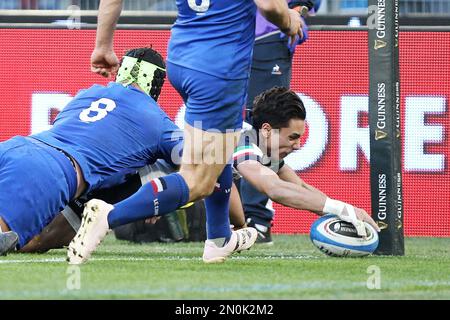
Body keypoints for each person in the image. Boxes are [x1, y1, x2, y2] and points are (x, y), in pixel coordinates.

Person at [72, 0, 306, 265]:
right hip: (220, 67)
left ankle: (219, 238)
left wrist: (103, 45)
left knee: (220, 148)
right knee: (198, 179)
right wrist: (289, 20)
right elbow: (270, 7)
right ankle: (108, 216)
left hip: (182, 57)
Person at [0, 47, 184, 255]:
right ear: (157, 82)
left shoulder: (88, 93)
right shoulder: (157, 121)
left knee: (28, 241)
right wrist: (155, 192)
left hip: (18, 145)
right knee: (23, 240)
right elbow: (201, 160)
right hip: (50, 170)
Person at [233, 87, 380, 235]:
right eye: (292, 137)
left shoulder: (261, 143)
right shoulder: (242, 140)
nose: (297, 146)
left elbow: (299, 187)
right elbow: (274, 188)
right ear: (266, 130)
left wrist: (342, 212)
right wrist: (340, 209)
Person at [240, 0, 321, 244]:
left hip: (267, 36)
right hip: (230, 39)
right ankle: (237, 219)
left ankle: (256, 220)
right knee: (233, 126)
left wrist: (294, 13)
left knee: (262, 125)